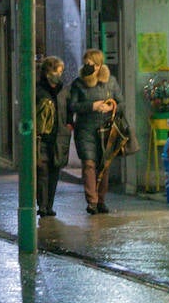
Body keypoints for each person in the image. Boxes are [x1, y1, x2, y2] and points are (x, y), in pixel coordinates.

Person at [67, 49, 119, 214]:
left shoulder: (110, 82)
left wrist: (111, 106)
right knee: (89, 164)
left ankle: (101, 199)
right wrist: (92, 106)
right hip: (85, 129)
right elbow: (73, 105)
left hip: (105, 129)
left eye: (92, 64)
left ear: (99, 65)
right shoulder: (78, 83)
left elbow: (121, 102)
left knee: (104, 165)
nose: (89, 66)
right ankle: (92, 201)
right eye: (87, 63)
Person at [35, 56, 71, 217]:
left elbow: (69, 109)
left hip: (59, 136)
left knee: (55, 170)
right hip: (42, 137)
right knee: (42, 171)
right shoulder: (38, 90)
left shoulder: (64, 90)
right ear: (48, 71)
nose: (60, 74)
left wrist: (69, 123)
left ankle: (49, 205)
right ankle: (42, 206)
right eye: (58, 70)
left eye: (61, 71)